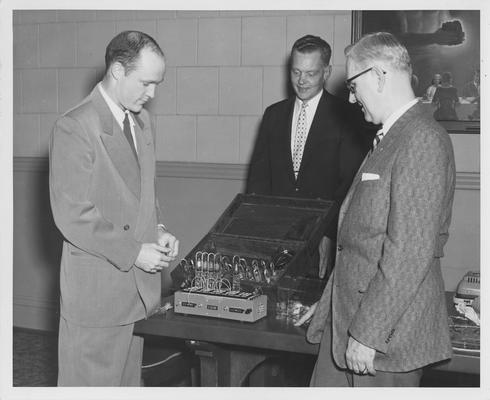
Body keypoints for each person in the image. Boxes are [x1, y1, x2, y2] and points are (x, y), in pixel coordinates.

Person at [296, 32, 455, 387]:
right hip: (349, 324)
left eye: (354, 86)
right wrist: (328, 307)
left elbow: (409, 252)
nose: (351, 98)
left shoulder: (421, 139)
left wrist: (368, 333)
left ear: (380, 76)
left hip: (384, 340)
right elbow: (360, 242)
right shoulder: (391, 137)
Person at [49, 31, 179, 386]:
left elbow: (141, 194)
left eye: (157, 84)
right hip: (97, 297)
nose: (152, 94)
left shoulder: (141, 121)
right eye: (146, 83)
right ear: (118, 71)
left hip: (135, 295)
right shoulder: (75, 126)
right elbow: (72, 214)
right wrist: (135, 251)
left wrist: (158, 229)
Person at [246, 34, 366, 279]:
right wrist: (258, 236)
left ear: (327, 72)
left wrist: (329, 235)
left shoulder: (347, 116)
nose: (301, 81)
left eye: (310, 73)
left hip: (323, 241)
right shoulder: (273, 115)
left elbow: (348, 186)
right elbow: (258, 181)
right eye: (296, 72)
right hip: (276, 241)